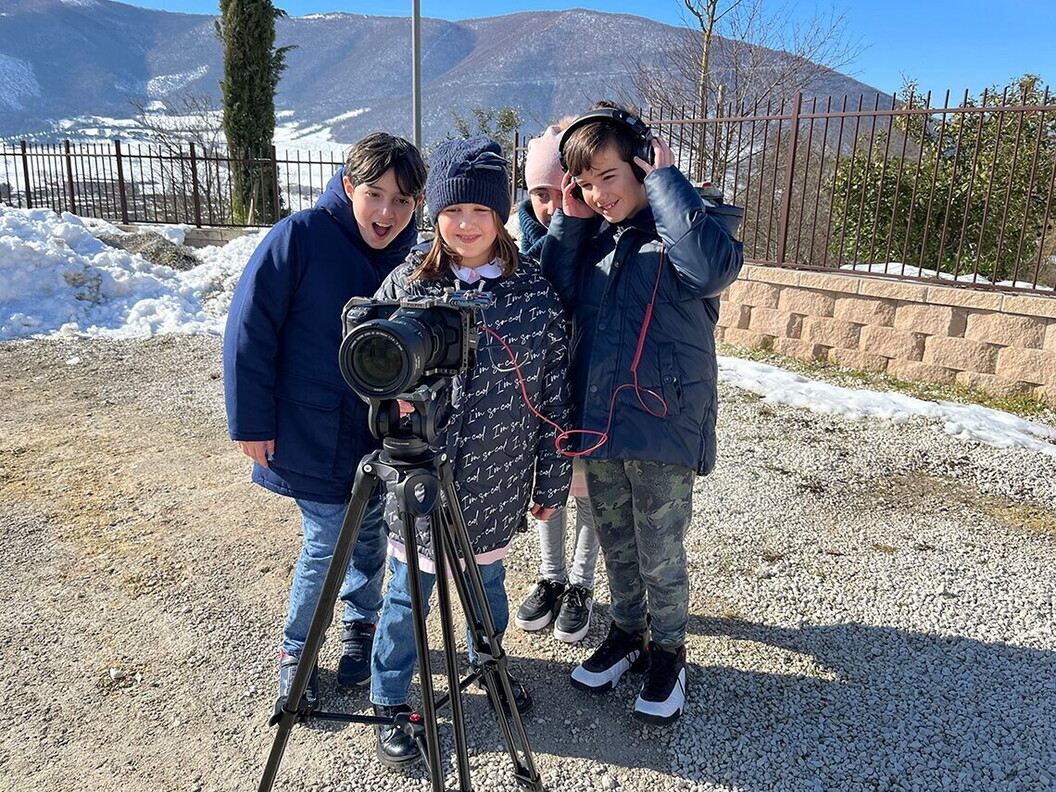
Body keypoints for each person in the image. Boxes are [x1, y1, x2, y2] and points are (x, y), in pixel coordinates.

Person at [368, 135, 571, 770]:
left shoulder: (534, 296)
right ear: (436, 214)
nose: (464, 225)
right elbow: (368, 361)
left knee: (487, 588)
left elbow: (556, 396)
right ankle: (389, 700)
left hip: (496, 478)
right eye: (453, 211)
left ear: (500, 214)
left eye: (479, 212)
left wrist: (552, 482)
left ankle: (488, 664)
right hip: (419, 475)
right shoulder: (407, 282)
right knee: (407, 595)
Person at [541, 103, 743, 726]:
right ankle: (627, 634)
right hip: (599, 419)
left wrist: (666, 183)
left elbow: (712, 270)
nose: (600, 194)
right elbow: (549, 294)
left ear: (641, 162)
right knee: (616, 542)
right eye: (586, 183)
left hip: (661, 423)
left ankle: (669, 653)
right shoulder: (594, 239)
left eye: (611, 176)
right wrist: (569, 225)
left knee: (659, 548)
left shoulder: (692, 225)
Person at [222, 133, 427, 714]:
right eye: (375, 194)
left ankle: (359, 628)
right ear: (346, 187)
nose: (387, 213)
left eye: (403, 201)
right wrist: (250, 422)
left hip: (379, 435)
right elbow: (250, 330)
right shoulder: (301, 236)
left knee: (372, 539)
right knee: (327, 544)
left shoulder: (416, 260)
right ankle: (297, 655)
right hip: (309, 431)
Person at [513, 122, 601, 644]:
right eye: (539, 194)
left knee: (588, 490)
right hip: (543, 391)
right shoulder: (519, 245)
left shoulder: (602, 238)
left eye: (560, 192)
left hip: (589, 387)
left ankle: (582, 584)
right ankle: (551, 576)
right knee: (547, 487)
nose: (550, 206)